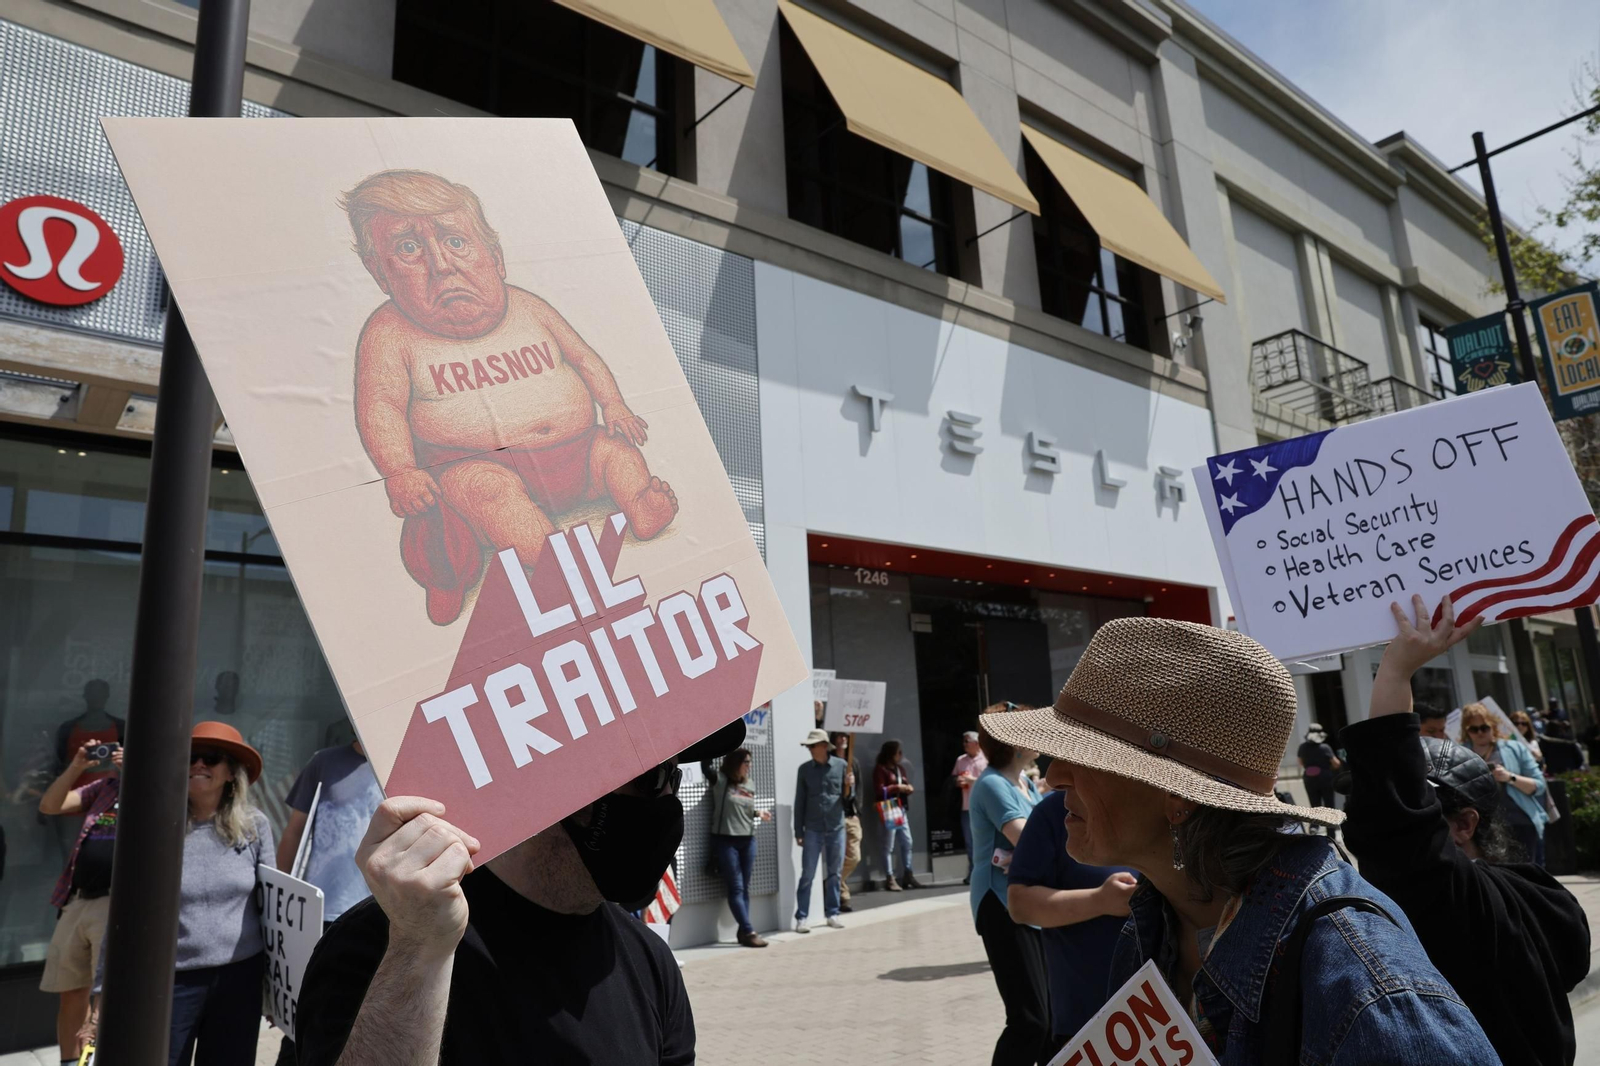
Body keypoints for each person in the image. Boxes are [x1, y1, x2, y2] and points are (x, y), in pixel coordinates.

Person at [981, 617, 1498, 1065]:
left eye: (1088, 756)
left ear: (1178, 797)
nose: (1054, 777)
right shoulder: (1153, 919)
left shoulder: (1364, 988)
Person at [298, 722, 745, 1064]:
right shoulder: (383, 946)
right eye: (652, 778)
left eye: (675, 777)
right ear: (560, 782)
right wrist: (417, 952)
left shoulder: (650, 963)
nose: (669, 799)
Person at [1341, 596, 1591, 1066]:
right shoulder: (1542, 896)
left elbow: (1399, 832)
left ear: (1463, 824)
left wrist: (1395, 671)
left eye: (1423, 809)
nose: (1361, 818)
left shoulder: (1456, 899)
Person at [273, 739, 385, 1066]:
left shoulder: (402, 762)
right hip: (322, 911)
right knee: (305, 1012)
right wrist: (283, 896)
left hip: (384, 912)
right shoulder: (323, 762)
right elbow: (294, 831)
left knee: (364, 1014)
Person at [170, 722, 274, 1066]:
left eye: (211, 758)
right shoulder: (156, 825)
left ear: (231, 773)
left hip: (240, 977)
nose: (199, 764)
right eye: (191, 757)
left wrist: (280, 988)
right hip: (173, 980)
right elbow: (124, 912)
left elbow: (272, 904)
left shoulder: (254, 826)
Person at [1007, 784, 1138, 1055]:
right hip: (1086, 1018)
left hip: (1167, 1013)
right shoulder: (1056, 811)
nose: (1055, 776)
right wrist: (1100, 900)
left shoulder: (1165, 805)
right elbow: (1020, 903)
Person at [968, 704, 1047, 1066]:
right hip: (999, 905)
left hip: (1027, 904)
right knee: (1030, 1020)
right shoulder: (992, 785)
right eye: (1031, 730)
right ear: (1014, 742)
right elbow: (1029, 840)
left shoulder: (1025, 781)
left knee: (1049, 1019)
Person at [37, 741, 123, 1066]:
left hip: (115, 902)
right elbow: (50, 805)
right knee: (72, 991)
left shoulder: (161, 788)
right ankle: (71, 1063)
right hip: (78, 900)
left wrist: (135, 771)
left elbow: (162, 810)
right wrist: (76, 766)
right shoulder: (105, 787)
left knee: (107, 998)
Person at [1461, 700, 1548, 866]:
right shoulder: (1460, 753)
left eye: (1484, 727)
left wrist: (1509, 777)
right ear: (1467, 731)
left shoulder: (1514, 748)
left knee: (1526, 874)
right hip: (1480, 827)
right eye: (1473, 729)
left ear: (1493, 726)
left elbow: (1539, 785)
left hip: (1519, 821)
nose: (1480, 733)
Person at [707, 747, 772, 947]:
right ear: (736, 763)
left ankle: (743, 932)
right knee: (735, 887)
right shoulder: (721, 781)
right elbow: (705, 766)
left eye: (750, 762)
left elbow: (746, 808)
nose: (749, 766)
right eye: (746, 762)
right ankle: (748, 930)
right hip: (726, 840)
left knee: (744, 888)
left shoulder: (749, 784)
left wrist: (757, 813)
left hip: (748, 840)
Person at [792, 729, 846, 932]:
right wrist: (799, 831)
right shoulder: (804, 770)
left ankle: (833, 913)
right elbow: (800, 802)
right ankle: (802, 918)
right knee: (808, 874)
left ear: (824, 746)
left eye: (812, 745)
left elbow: (849, 799)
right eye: (809, 746)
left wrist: (851, 785)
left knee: (835, 874)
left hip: (836, 827)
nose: (810, 749)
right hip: (812, 828)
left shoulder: (842, 766)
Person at [53, 680, 124, 786]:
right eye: (93, 694)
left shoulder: (122, 728)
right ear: (86, 696)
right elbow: (60, 763)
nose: (96, 697)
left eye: (100, 694)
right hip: (73, 788)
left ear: (106, 696)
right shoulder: (67, 728)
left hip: (109, 790)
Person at [873, 739, 919, 890]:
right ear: (891, 753)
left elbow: (905, 782)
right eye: (898, 752)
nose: (901, 755)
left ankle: (908, 873)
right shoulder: (880, 769)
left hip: (901, 808)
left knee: (907, 842)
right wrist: (897, 787)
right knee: (889, 845)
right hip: (890, 807)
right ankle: (889, 877)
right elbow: (880, 790)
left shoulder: (899, 769)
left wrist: (908, 787)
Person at [831, 732, 863, 913]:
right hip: (835, 814)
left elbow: (860, 789)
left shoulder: (854, 762)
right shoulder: (831, 760)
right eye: (839, 736)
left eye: (845, 736)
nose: (842, 739)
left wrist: (858, 810)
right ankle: (843, 896)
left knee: (854, 856)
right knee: (838, 857)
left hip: (851, 815)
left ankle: (832, 882)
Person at [952, 730, 987, 883]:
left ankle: (985, 872)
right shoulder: (960, 760)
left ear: (976, 743)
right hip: (966, 807)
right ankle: (973, 873)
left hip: (984, 807)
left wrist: (972, 780)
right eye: (964, 741)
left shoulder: (987, 758)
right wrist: (958, 781)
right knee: (970, 842)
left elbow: (990, 781)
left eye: (967, 741)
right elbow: (955, 778)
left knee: (984, 840)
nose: (964, 744)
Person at [1296, 723, 1341, 818]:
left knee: (1314, 805)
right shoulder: (1325, 747)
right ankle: (1331, 830)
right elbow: (1336, 764)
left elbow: (1300, 762)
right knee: (1329, 805)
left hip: (1309, 778)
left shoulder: (1302, 747)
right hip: (1325, 777)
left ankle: (1315, 826)